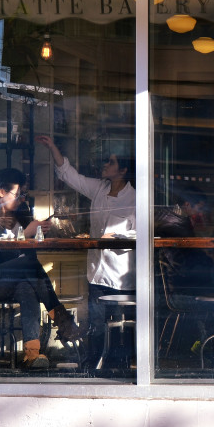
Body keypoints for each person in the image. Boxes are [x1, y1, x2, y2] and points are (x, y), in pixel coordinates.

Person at [36, 135, 135, 370]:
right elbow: (71, 176)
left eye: (110, 162)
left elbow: (142, 234)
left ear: (123, 169)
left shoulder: (135, 199)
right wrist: (52, 147)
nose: (104, 165)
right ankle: (92, 368)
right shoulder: (100, 189)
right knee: (96, 324)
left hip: (121, 275)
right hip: (96, 272)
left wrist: (117, 237)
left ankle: (119, 367)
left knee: (121, 326)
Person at [0, 168, 83, 369]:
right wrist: (22, 235)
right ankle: (63, 320)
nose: (21, 199)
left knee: (27, 287)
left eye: (23, 194)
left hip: (12, 282)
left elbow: (31, 254)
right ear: (2, 192)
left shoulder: (22, 215)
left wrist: (40, 231)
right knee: (27, 266)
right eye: (17, 194)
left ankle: (32, 354)